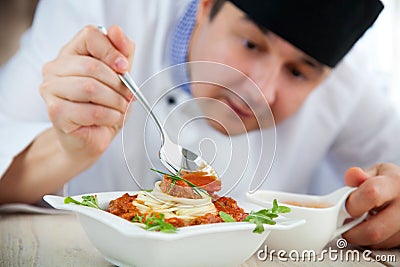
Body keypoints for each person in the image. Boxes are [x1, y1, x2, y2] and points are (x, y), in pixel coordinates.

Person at [0, 0, 399, 249]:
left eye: (299, 72)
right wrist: (70, 148)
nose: (260, 91)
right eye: (250, 44)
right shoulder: (100, 11)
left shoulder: (351, 84)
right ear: (206, 6)